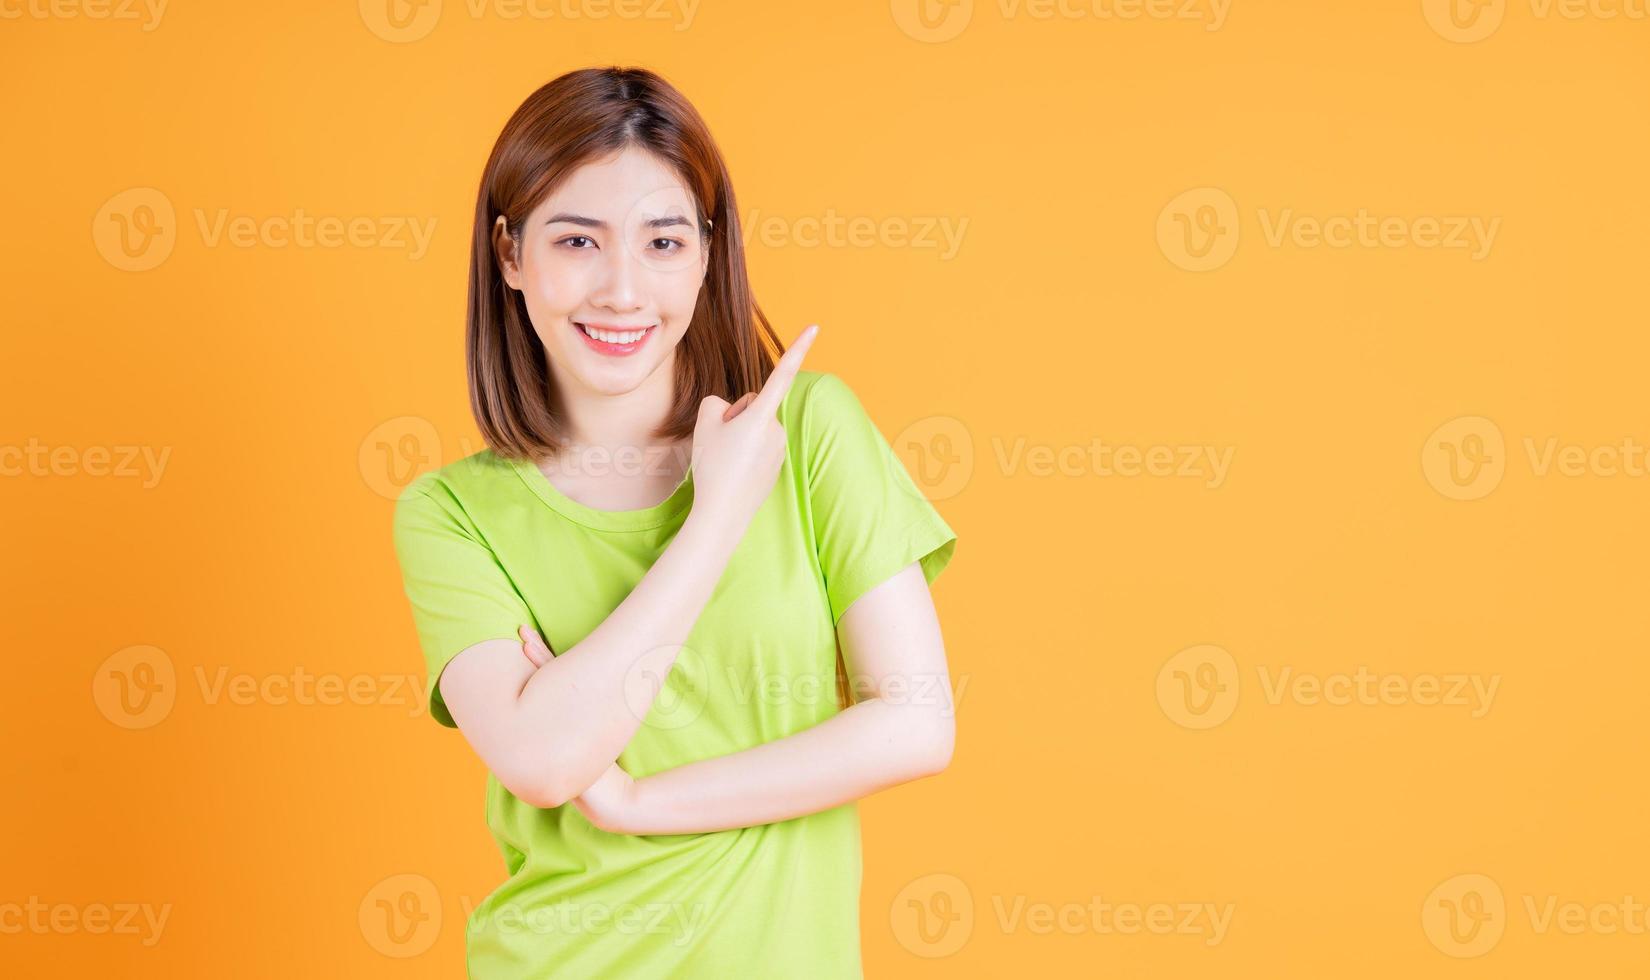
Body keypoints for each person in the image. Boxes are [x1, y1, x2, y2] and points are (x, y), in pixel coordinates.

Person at [391, 65, 959, 978]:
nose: (623, 290)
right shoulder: (452, 514)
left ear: (705, 253)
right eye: (578, 241)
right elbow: (541, 762)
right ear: (509, 255)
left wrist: (642, 800)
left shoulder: (807, 430)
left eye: (662, 241)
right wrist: (716, 518)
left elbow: (917, 723)